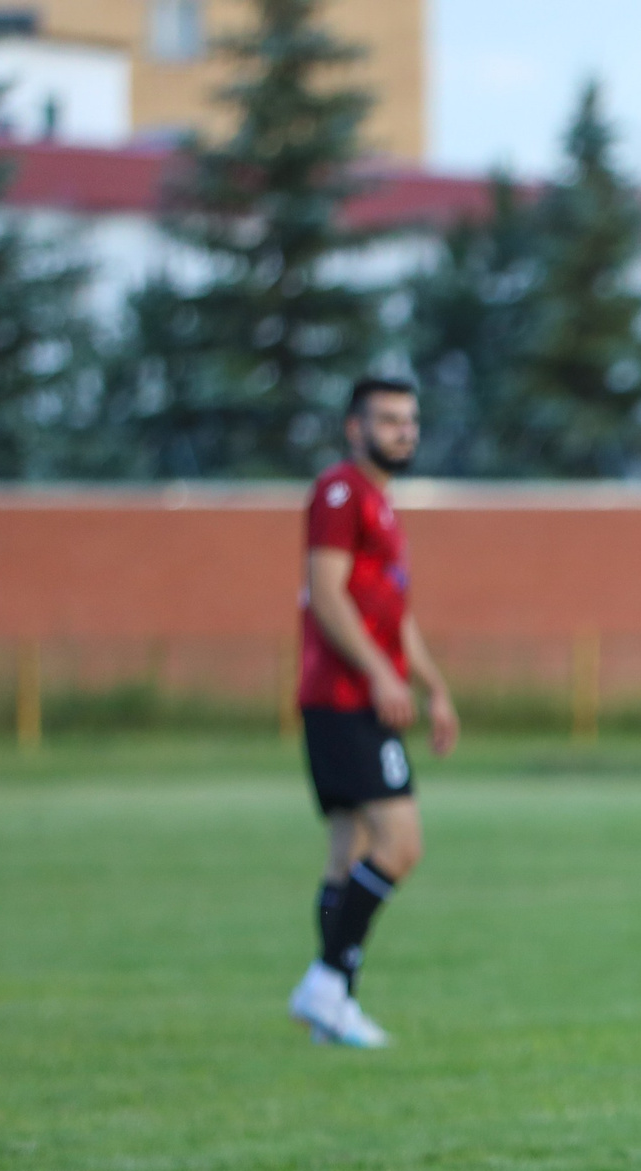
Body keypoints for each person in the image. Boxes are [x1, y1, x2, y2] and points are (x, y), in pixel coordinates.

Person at [284, 377, 458, 1048]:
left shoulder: (382, 506)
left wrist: (434, 684)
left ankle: (335, 1008)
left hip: (358, 696)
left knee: (348, 852)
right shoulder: (340, 493)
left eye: (410, 420)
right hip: (343, 699)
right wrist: (384, 674)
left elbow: (395, 616)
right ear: (354, 428)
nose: (403, 432)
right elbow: (326, 596)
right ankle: (327, 981)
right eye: (388, 420)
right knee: (400, 844)